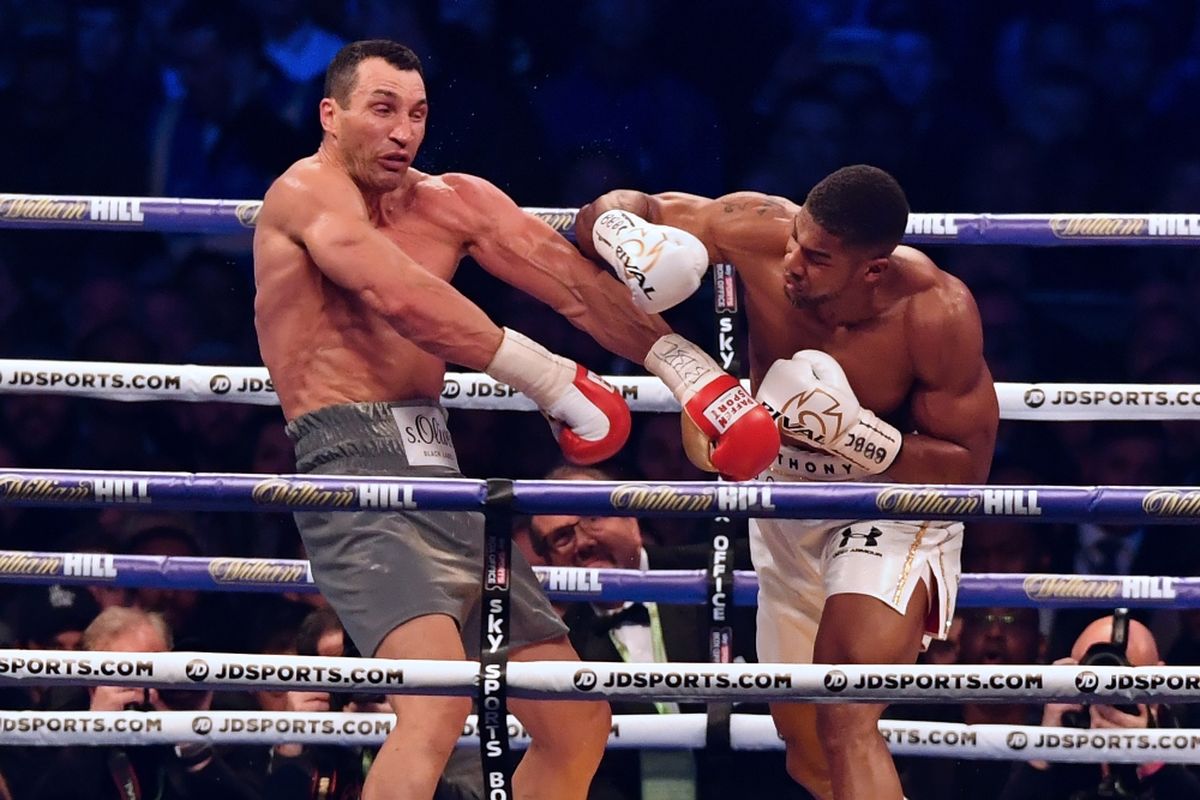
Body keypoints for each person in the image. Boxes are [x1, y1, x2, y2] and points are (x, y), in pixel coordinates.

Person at [252, 39, 779, 800]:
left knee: (577, 720)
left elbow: (574, 285)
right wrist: (551, 379)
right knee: (433, 710)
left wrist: (688, 370)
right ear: (330, 116)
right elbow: (397, 293)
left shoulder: (454, 201)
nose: (404, 131)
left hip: (443, 472)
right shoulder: (304, 194)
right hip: (353, 469)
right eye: (383, 109)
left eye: (418, 114)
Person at [576, 164, 999, 800]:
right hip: (785, 505)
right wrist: (624, 231)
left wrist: (857, 434)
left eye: (819, 256)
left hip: (887, 508)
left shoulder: (935, 311)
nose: (793, 263)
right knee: (807, 750)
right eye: (797, 238)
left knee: (845, 711)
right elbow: (609, 209)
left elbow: (968, 467)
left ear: (873, 270)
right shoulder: (756, 230)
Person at [525, 463, 797, 800]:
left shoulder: (722, 572)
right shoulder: (564, 646)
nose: (582, 543)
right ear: (548, 559)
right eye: (561, 537)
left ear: (632, 518)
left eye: (592, 519)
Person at [1000, 612, 1200, 800]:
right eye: (1094, 674)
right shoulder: (1053, 720)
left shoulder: (1185, 721)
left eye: (1124, 678)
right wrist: (1044, 747)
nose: (1107, 691)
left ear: (1159, 680)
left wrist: (1154, 757)